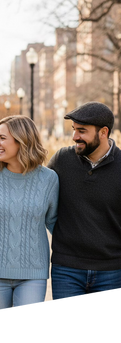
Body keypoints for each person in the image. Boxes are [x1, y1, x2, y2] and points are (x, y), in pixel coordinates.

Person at [0, 115, 59, 313]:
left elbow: (54, 221)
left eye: (2, 138)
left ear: (22, 140)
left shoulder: (49, 179)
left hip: (33, 272)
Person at [47, 101, 121, 302]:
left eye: (82, 131)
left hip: (112, 271)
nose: (74, 137)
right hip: (66, 270)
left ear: (103, 132)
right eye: (73, 130)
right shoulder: (62, 159)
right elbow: (31, 179)